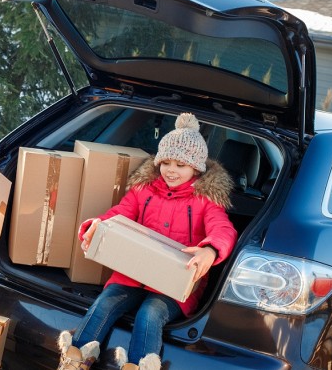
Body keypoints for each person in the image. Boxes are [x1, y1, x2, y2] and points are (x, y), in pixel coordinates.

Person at [56, 113, 238, 370]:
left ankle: (138, 366)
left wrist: (209, 250)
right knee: (106, 302)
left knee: (150, 314)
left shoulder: (206, 200)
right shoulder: (145, 190)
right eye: (166, 163)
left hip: (174, 286)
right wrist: (97, 226)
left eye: (181, 165)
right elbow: (119, 214)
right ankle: (75, 359)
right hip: (132, 273)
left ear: (196, 168)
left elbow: (223, 230)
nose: (171, 170)